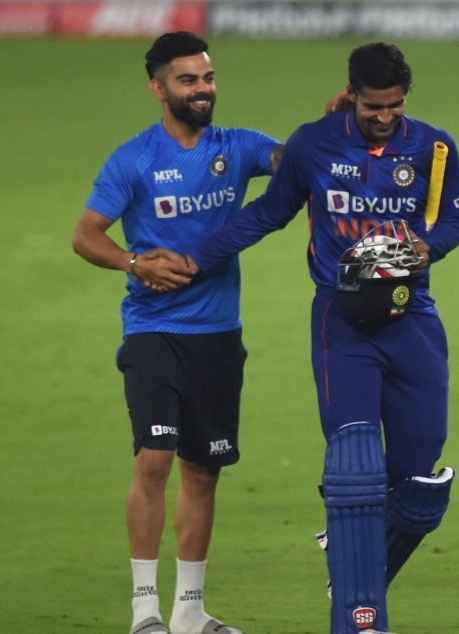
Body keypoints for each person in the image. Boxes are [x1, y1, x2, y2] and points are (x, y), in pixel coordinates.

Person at [186, 42, 459, 634]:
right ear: (352, 96)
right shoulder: (314, 144)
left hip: (412, 315)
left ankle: (351, 549)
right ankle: (358, 596)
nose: (384, 117)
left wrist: (426, 248)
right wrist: (196, 258)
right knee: (354, 464)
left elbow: (452, 222)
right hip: (341, 321)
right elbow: (268, 213)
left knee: (419, 479)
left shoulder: (435, 148)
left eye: (394, 106)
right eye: (372, 107)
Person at [71, 32, 281, 634]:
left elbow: (293, 164)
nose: (203, 89)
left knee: (203, 470)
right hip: (153, 328)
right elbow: (86, 234)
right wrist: (133, 262)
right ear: (158, 89)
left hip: (218, 333)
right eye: (188, 80)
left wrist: (331, 130)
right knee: (155, 457)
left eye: (208, 78)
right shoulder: (134, 159)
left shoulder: (237, 146)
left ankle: (189, 611)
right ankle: (145, 610)